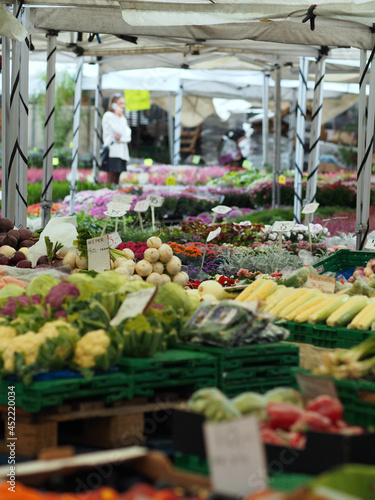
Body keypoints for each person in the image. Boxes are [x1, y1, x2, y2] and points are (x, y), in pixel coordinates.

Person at [101, 93, 132, 186]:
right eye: (120, 103)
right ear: (114, 104)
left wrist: (121, 118)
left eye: (123, 103)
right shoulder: (109, 116)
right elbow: (120, 131)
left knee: (117, 179)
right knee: (111, 178)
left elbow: (128, 135)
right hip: (113, 152)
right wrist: (123, 136)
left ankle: (114, 196)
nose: (123, 106)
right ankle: (107, 196)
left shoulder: (122, 118)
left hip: (122, 152)